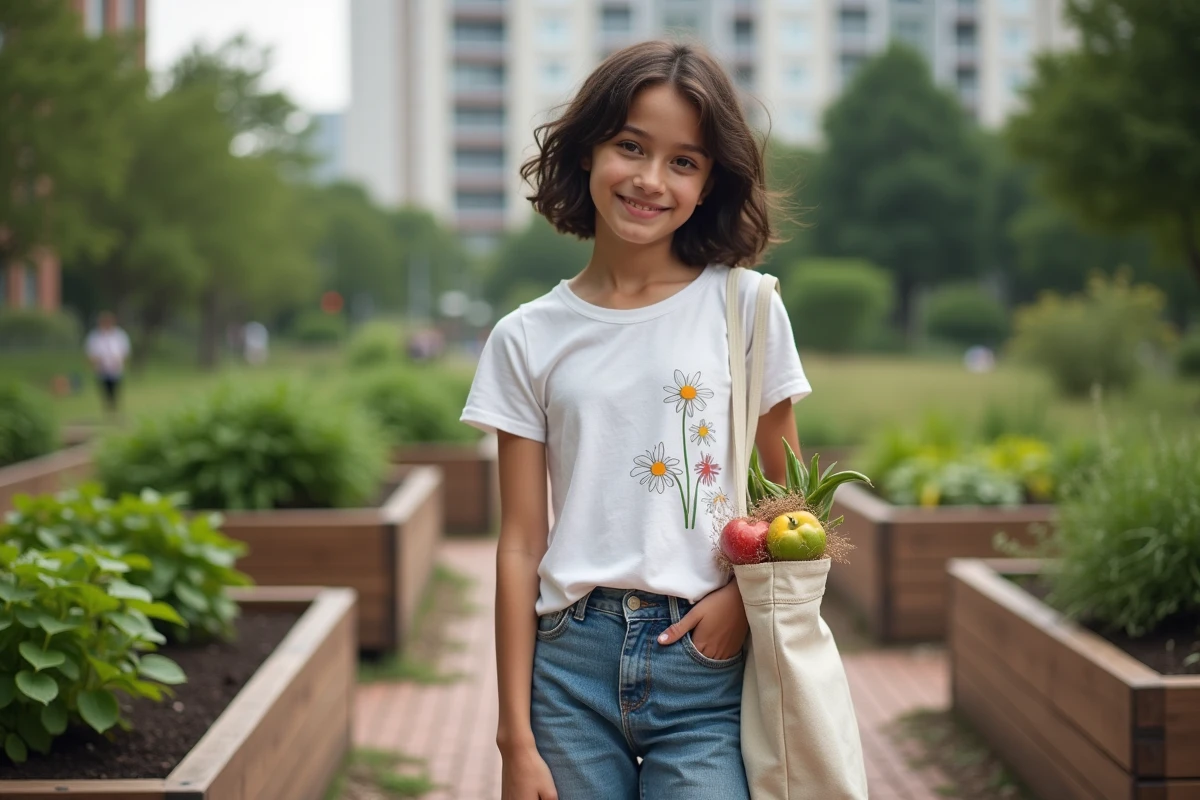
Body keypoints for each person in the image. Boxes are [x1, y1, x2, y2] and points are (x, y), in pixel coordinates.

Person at [460, 41, 812, 800]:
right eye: (631, 146)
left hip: (708, 666)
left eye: (683, 161)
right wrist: (514, 740)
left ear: (709, 181)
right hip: (568, 669)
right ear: (588, 149)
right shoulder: (526, 336)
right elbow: (519, 543)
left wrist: (737, 606)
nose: (651, 179)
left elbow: (792, 508)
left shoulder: (749, 307)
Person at [85, 311, 131, 417]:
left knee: (115, 389)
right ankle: (107, 408)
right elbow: (90, 352)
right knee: (104, 389)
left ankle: (114, 408)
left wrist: (120, 361)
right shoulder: (95, 336)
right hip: (101, 368)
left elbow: (125, 351)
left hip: (115, 368)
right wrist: (95, 363)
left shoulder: (119, 335)